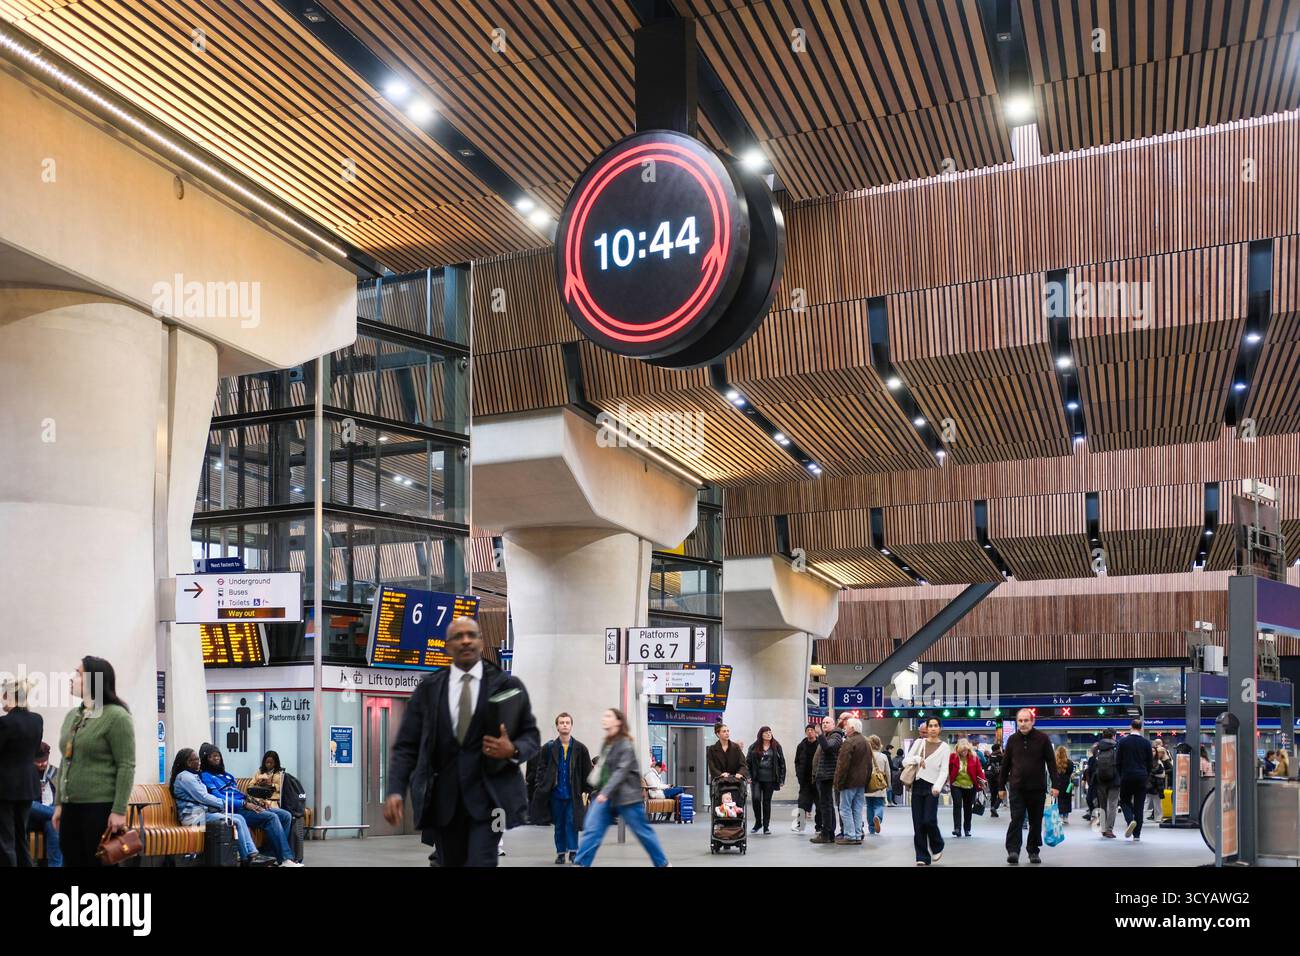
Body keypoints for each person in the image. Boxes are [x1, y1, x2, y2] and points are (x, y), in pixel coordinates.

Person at [384, 617, 540, 868]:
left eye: (471, 635)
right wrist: (395, 789)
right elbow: (407, 745)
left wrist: (513, 749)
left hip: (490, 801)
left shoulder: (506, 685)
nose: (466, 640)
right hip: (444, 804)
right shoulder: (429, 689)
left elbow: (531, 736)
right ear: (448, 646)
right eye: (458, 636)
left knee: (481, 861)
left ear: (481, 642)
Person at [53, 657, 135, 867]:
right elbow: (66, 760)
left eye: (78, 674)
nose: (72, 678)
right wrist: (59, 804)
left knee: (97, 863)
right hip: (71, 807)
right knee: (71, 861)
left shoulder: (117, 717)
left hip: (99, 808)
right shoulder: (73, 715)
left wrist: (119, 810)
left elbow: (126, 765)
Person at [573, 708, 669, 867]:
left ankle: (662, 863)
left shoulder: (625, 744)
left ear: (618, 721)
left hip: (627, 798)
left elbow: (620, 771)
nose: (604, 718)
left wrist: (604, 792)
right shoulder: (607, 743)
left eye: (608, 716)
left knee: (643, 833)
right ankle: (581, 863)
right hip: (607, 797)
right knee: (592, 830)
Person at [198, 743, 301, 866]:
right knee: (271, 817)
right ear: (205, 759)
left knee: (285, 815)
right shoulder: (205, 776)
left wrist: (256, 801)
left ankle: (271, 855)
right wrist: (244, 804)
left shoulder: (227, 775)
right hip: (234, 810)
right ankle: (285, 858)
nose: (216, 758)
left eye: (217, 755)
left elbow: (239, 793)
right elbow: (218, 798)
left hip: (246, 805)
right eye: (211, 756)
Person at [170, 749, 276, 866]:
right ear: (188, 762)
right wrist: (223, 803)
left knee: (239, 818)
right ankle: (248, 858)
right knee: (235, 820)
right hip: (193, 817)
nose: (199, 762)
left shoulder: (192, 775)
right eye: (195, 759)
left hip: (203, 813)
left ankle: (253, 854)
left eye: (198, 759)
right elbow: (203, 797)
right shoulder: (185, 777)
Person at [526, 712, 593, 864]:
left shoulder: (580, 748)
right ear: (557, 726)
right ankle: (561, 853)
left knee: (572, 823)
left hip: (573, 794)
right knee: (559, 825)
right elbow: (541, 769)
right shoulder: (548, 748)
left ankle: (573, 852)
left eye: (567, 722)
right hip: (555, 794)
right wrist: (540, 786)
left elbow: (587, 770)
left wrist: (587, 790)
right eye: (561, 722)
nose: (564, 725)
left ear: (571, 726)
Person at [999, 708, 1057, 865]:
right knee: (1016, 819)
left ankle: (1033, 851)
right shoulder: (1012, 740)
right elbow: (1005, 765)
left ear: (1033, 721)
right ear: (1017, 722)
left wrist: (1055, 785)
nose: (1023, 723)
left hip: (1037, 788)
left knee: (1035, 821)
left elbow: (1051, 763)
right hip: (1017, 788)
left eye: (1026, 720)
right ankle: (1013, 850)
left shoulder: (1043, 738)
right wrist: (1001, 787)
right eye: (1020, 721)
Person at [0, 677, 43, 866]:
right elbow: (35, 751)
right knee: (21, 837)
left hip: (5, 787)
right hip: (27, 785)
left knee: (6, 840)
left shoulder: (5, 722)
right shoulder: (37, 720)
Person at [903, 717, 950, 865]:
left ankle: (937, 845)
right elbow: (905, 761)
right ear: (927, 728)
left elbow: (944, 770)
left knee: (929, 820)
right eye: (931, 726)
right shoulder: (919, 743)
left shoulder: (945, 747)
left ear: (940, 728)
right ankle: (922, 857)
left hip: (932, 787)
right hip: (917, 785)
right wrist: (917, 759)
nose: (933, 728)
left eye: (936, 726)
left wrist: (938, 786)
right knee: (918, 823)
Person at [833, 717, 872, 845]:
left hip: (849, 782)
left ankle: (850, 835)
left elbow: (842, 765)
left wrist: (838, 782)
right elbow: (869, 765)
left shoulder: (849, 742)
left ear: (852, 728)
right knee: (857, 809)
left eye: (847, 726)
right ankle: (857, 834)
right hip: (861, 782)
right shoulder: (866, 742)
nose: (845, 728)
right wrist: (866, 781)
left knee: (845, 808)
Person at [1116, 719, 1153, 841]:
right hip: (1141, 776)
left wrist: (1121, 774)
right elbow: (1150, 762)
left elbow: (1118, 761)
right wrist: (1146, 774)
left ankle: (1130, 820)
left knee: (1124, 801)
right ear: (1141, 728)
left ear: (1130, 727)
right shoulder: (1146, 743)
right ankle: (1137, 835)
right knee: (1139, 805)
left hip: (1127, 776)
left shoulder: (1123, 742)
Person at [810, 715, 843, 845]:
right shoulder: (828, 736)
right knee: (826, 805)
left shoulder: (836, 736)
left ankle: (827, 834)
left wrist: (819, 735)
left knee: (826, 805)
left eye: (827, 722)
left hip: (828, 775)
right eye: (823, 722)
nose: (824, 724)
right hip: (823, 775)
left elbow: (828, 748)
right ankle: (829, 833)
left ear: (833, 725)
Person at [746, 726, 785, 835]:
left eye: (770, 732)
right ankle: (758, 822)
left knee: (767, 802)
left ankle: (766, 826)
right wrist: (748, 776)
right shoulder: (753, 746)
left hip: (770, 779)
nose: (768, 734)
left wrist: (781, 779)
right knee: (756, 799)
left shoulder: (776, 746)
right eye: (766, 732)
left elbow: (782, 763)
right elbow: (747, 763)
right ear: (761, 734)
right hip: (756, 778)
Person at [28, 743, 62, 867]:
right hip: (31, 816)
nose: (42, 764)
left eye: (44, 761)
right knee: (29, 804)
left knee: (53, 823)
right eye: (38, 761)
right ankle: (60, 813)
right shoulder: (26, 774)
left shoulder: (55, 773)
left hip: (49, 816)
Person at [949, 738, 986, 837]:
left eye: (966, 750)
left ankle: (967, 829)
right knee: (957, 805)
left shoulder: (974, 757)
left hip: (970, 786)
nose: (964, 752)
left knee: (968, 807)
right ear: (958, 750)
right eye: (962, 751)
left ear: (969, 749)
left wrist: (983, 781)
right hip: (956, 785)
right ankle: (957, 828)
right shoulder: (953, 757)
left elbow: (979, 771)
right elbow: (949, 769)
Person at [1088, 730, 1121, 837]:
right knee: (1112, 805)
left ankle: (1103, 828)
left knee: (1102, 805)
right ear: (1113, 736)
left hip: (1100, 780)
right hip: (1114, 779)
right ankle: (1109, 830)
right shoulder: (1117, 746)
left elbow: (1093, 764)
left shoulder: (1097, 747)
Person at [792, 724, 820, 831]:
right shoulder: (801, 746)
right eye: (808, 730)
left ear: (815, 732)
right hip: (805, 779)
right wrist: (799, 774)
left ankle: (819, 826)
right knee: (802, 802)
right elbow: (797, 761)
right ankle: (800, 824)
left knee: (819, 804)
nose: (810, 732)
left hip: (817, 779)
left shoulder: (820, 744)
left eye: (812, 730)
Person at [865, 735, 891, 834]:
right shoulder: (883, 756)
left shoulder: (866, 756)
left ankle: (871, 828)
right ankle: (878, 817)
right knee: (879, 804)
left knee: (869, 806)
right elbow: (887, 772)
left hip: (868, 784)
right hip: (879, 784)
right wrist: (888, 784)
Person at [1053, 745, 1075, 824]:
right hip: (1067, 784)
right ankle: (1065, 817)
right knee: (1067, 800)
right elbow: (1071, 772)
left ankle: (1059, 816)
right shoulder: (1070, 762)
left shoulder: (1055, 763)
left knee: (1059, 800)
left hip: (1058, 784)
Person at [1148, 745, 1171, 820]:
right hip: (1148, 784)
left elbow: (1163, 774)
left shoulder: (1159, 761)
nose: (1152, 752)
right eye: (1151, 751)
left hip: (1157, 784)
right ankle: (1141, 817)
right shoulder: (1146, 760)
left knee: (1157, 802)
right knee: (1147, 802)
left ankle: (1158, 817)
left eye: (1154, 751)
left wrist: (1152, 774)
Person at [986, 741, 1004, 817]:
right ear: (998, 748)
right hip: (999, 778)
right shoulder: (1001, 756)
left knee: (993, 795)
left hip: (991, 778)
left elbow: (986, 765)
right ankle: (994, 807)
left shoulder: (990, 756)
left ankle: (993, 812)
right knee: (1002, 794)